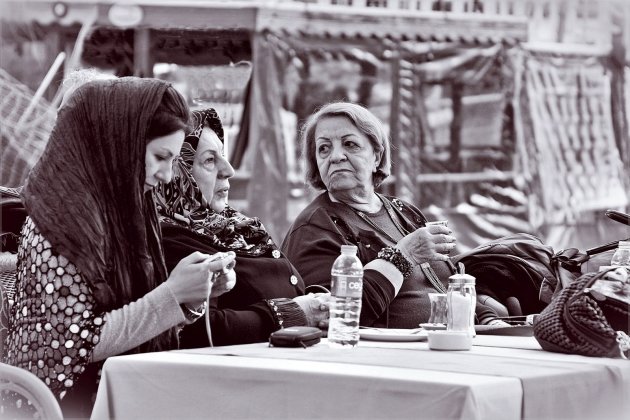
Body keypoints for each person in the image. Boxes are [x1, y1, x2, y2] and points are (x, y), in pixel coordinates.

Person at [1, 78, 236, 418]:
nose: (168, 175)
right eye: (160, 157)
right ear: (118, 144)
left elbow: (135, 314)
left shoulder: (126, 209)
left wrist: (192, 296)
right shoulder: (58, 223)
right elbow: (73, 344)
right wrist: (173, 294)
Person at [281, 102, 501, 328]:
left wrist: (487, 317)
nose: (336, 156)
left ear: (377, 156)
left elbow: (445, 282)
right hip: (388, 357)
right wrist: (403, 255)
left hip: (454, 340)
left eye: (350, 144)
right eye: (324, 148)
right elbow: (331, 316)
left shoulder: (404, 212)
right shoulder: (314, 227)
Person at [155, 108, 330, 347]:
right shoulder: (170, 237)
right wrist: (292, 313)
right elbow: (200, 331)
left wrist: (319, 303)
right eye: (209, 160)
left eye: (223, 155)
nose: (229, 170)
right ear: (177, 174)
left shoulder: (235, 226)